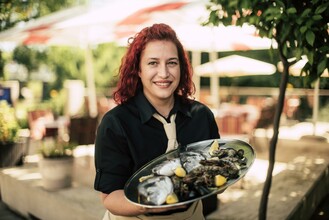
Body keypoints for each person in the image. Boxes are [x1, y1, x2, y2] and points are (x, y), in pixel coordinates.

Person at [94, 23, 220, 220]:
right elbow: (109, 196)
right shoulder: (115, 123)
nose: (164, 73)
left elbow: (216, 177)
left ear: (182, 67)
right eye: (153, 63)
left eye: (172, 62)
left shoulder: (201, 116)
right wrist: (149, 206)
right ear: (138, 70)